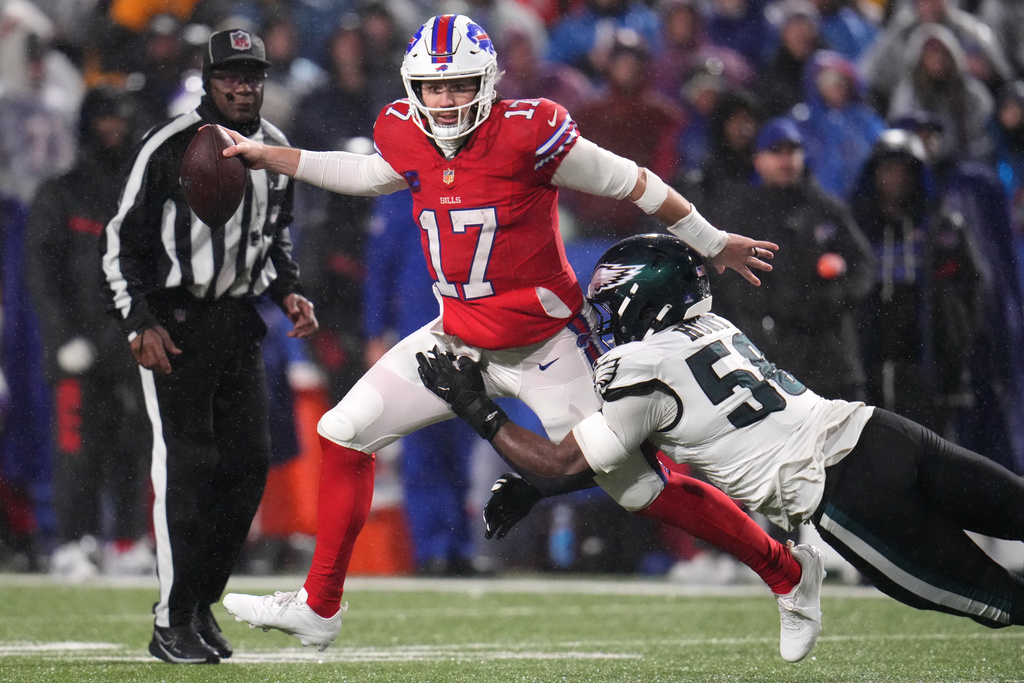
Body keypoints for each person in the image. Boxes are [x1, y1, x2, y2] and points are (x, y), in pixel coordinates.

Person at [217, 13, 816, 661]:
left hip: (547, 346)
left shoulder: (530, 135)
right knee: (342, 432)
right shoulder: (402, 131)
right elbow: (364, 174)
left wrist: (711, 240)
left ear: (489, 82)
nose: (445, 102)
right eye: (434, 88)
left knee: (640, 486)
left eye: (460, 86)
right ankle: (319, 605)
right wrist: (268, 156)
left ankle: (787, 571)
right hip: (454, 334)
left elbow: (634, 183)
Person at [418, 232, 1024, 637]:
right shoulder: (712, 327)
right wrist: (537, 490)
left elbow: (566, 457)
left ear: (641, 299)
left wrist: (474, 407)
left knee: (1002, 602)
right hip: (883, 434)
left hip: (845, 495)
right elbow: (635, 446)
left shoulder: (638, 371)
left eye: (609, 298)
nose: (602, 313)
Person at [98, 28, 318, 665]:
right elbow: (120, 242)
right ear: (208, 78)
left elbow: (274, 237)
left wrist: (289, 291)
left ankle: (199, 602)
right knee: (187, 469)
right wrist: (139, 320)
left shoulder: (275, 146)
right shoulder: (167, 145)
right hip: (175, 323)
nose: (243, 85)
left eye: (253, 75)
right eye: (231, 75)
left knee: (248, 468)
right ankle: (171, 620)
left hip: (236, 322)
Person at [26, 85, 154, 580]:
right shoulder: (60, 193)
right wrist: (61, 340)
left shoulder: (141, 196)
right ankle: (70, 542)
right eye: (104, 118)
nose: (113, 128)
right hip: (78, 348)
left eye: (121, 118)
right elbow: (42, 277)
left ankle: (125, 540)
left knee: (131, 447)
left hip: (129, 344)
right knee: (77, 448)